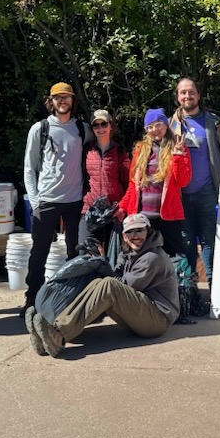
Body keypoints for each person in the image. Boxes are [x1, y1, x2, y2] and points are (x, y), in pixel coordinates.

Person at [25, 213, 180, 357]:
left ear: (148, 231)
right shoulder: (127, 253)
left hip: (158, 319)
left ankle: (58, 335)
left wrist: (106, 268)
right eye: (131, 232)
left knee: (108, 285)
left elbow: (126, 286)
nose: (136, 236)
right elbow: (117, 277)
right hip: (141, 313)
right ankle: (47, 333)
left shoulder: (152, 257)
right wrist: (100, 260)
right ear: (124, 237)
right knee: (99, 282)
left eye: (140, 231)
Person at [22, 82, 93, 312]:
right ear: (50, 101)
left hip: (75, 201)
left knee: (75, 252)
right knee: (39, 253)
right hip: (47, 200)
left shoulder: (83, 129)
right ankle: (32, 299)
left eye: (66, 97)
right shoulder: (40, 129)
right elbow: (29, 168)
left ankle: (71, 299)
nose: (63, 101)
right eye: (58, 98)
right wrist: (35, 202)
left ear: (73, 100)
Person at [172, 77, 220, 285]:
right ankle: (191, 288)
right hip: (181, 193)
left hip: (207, 190)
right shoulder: (171, 123)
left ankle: (213, 287)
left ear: (198, 95)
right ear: (178, 97)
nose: (187, 96)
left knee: (209, 240)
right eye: (183, 92)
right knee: (186, 241)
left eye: (191, 91)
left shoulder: (212, 121)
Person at [119, 108, 192, 259]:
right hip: (143, 217)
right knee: (143, 260)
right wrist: (122, 207)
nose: (155, 130)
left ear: (166, 125)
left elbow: (183, 182)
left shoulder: (178, 146)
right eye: (150, 127)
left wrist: (178, 158)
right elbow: (133, 185)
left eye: (158, 125)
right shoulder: (140, 149)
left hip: (168, 217)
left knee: (173, 259)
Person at [78, 109, 131, 249]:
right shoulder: (86, 151)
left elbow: (127, 183)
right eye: (96, 125)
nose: (100, 128)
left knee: (112, 257)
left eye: (104, 124)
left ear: (111, 126)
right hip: (89, 210)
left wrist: (123, 208)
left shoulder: (120, 152)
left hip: (113, 211)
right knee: (85, 254)